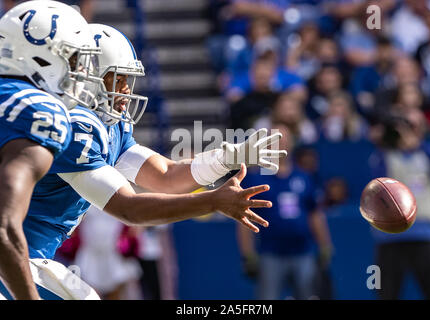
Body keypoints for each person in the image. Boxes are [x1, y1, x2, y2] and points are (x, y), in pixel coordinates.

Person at [0, 23, 287, 300]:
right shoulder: (76, 125)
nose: (126, 89)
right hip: (13, 257)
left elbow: (166, 175)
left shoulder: (110, 126)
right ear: (87, 76)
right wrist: (212, 201)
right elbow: (128, 208)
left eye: (128, 79)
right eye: (118, 78)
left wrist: (226, 158)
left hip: (28, 254)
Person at [0, 1, 102, 300]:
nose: (80, 72)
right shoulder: (39, 112)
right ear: (41, 57)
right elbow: (4, 227)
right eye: (73, 59)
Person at [237, 125, 332, 300]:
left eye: (284, 138)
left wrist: (325, 244)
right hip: (270, 253)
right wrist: (247, 254)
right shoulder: (256, 178)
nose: (281, 143)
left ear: (292, 143)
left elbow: (315, 214)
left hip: (303, 251)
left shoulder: (304, 176)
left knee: (309, 295)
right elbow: (243, 217)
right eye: (276, 139)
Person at [368, 108, 430, 299]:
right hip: (391, 238)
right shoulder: (383, 156)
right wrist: (384, 142)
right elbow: (376, 180)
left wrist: (418, 144)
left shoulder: (425, 154)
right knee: (387, 292)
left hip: (425, 235)